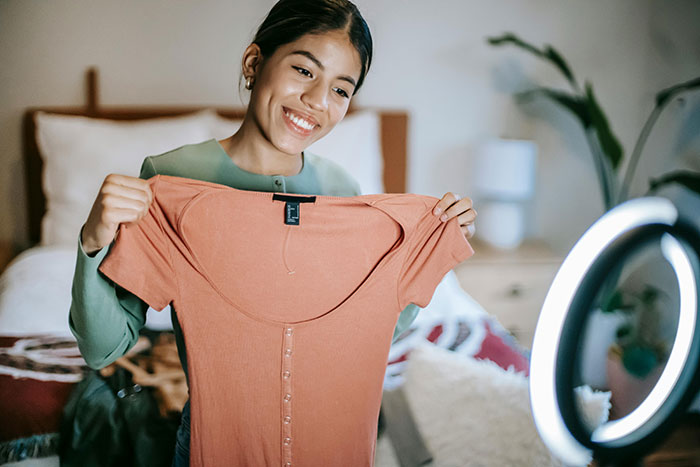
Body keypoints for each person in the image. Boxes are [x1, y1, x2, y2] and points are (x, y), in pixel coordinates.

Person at [69, 0, 477, 465]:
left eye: (341, 90)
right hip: (215, 446)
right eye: (304, 71)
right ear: (254, 62)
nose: (318, 102)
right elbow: (105, 348)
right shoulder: (172, 178)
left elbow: (366, 328)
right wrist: (92, 243)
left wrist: (429, 248)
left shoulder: (344, 193)